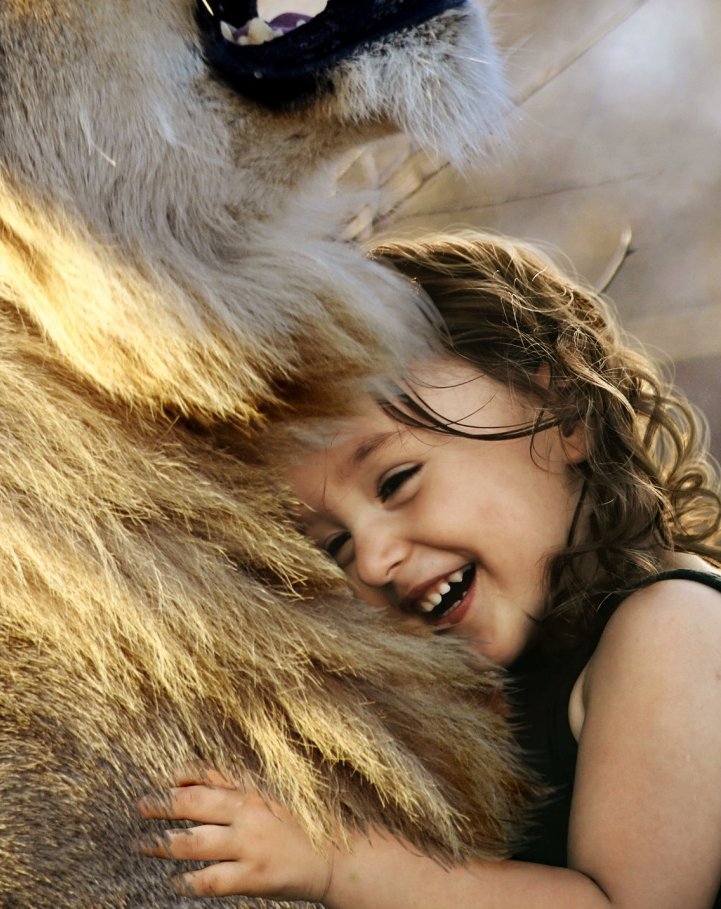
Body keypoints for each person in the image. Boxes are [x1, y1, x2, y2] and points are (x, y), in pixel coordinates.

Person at [137, 232, 721, 908]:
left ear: (562, 409)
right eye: (336, 547)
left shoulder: (674, 625)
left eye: (397, 481)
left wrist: (336, 865)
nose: (377, 559)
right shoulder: (503, 683)